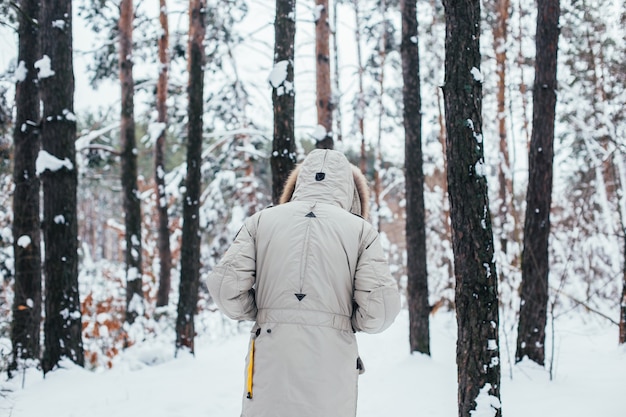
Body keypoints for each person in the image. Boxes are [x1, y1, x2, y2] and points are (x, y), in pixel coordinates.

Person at [207, 149, 401, 417]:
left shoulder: (262, 221)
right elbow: (380, 310)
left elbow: (224, 286)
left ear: (299, 182)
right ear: (349, 189)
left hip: (270, 359)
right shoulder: (361, 232)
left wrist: (262, 311)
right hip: (330, 365)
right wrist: (346, 320)